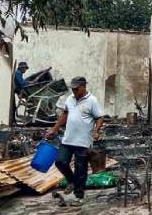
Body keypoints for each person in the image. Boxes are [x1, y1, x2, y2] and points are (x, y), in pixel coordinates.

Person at [46, 77, 104, 207]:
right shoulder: (70, 99)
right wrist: (54, 129)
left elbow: (99, 118)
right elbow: (65, 115)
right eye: (72, 89)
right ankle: (72, 181)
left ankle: (79, 196)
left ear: (83, 86)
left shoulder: (92, 100)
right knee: (60, 161)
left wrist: (96, 131)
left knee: (80, 169)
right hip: (68, 139)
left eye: (76, 89)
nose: (74, 91)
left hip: (83, 141)